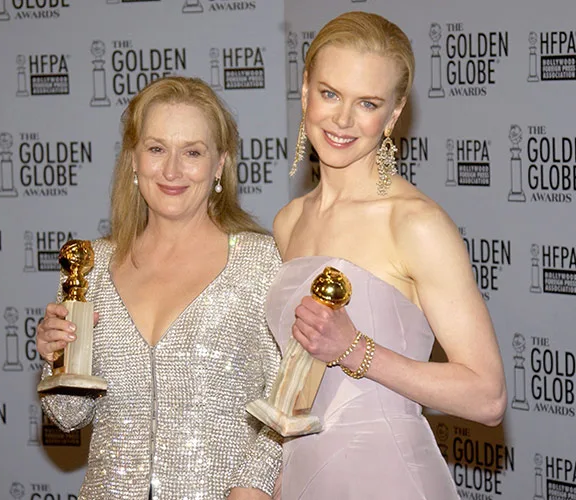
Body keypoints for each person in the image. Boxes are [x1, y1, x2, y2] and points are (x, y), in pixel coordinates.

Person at [268, 11, 507, 499]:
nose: (342, 120)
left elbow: (487, 397)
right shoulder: (288, 221)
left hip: (387, 479)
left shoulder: (415, 224)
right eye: (330, 93)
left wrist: (354, 348)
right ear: (306, 88)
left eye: (367, 103)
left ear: (393, 115)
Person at [36, 76, 282, 500]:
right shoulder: (90, 267)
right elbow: (68, 415)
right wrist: (55, 359)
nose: (172, 170)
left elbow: (290, 397)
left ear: (219, 164)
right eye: (156, 149)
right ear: (133, 159)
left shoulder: (262, 263)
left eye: (192, 152)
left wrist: (253, 484)